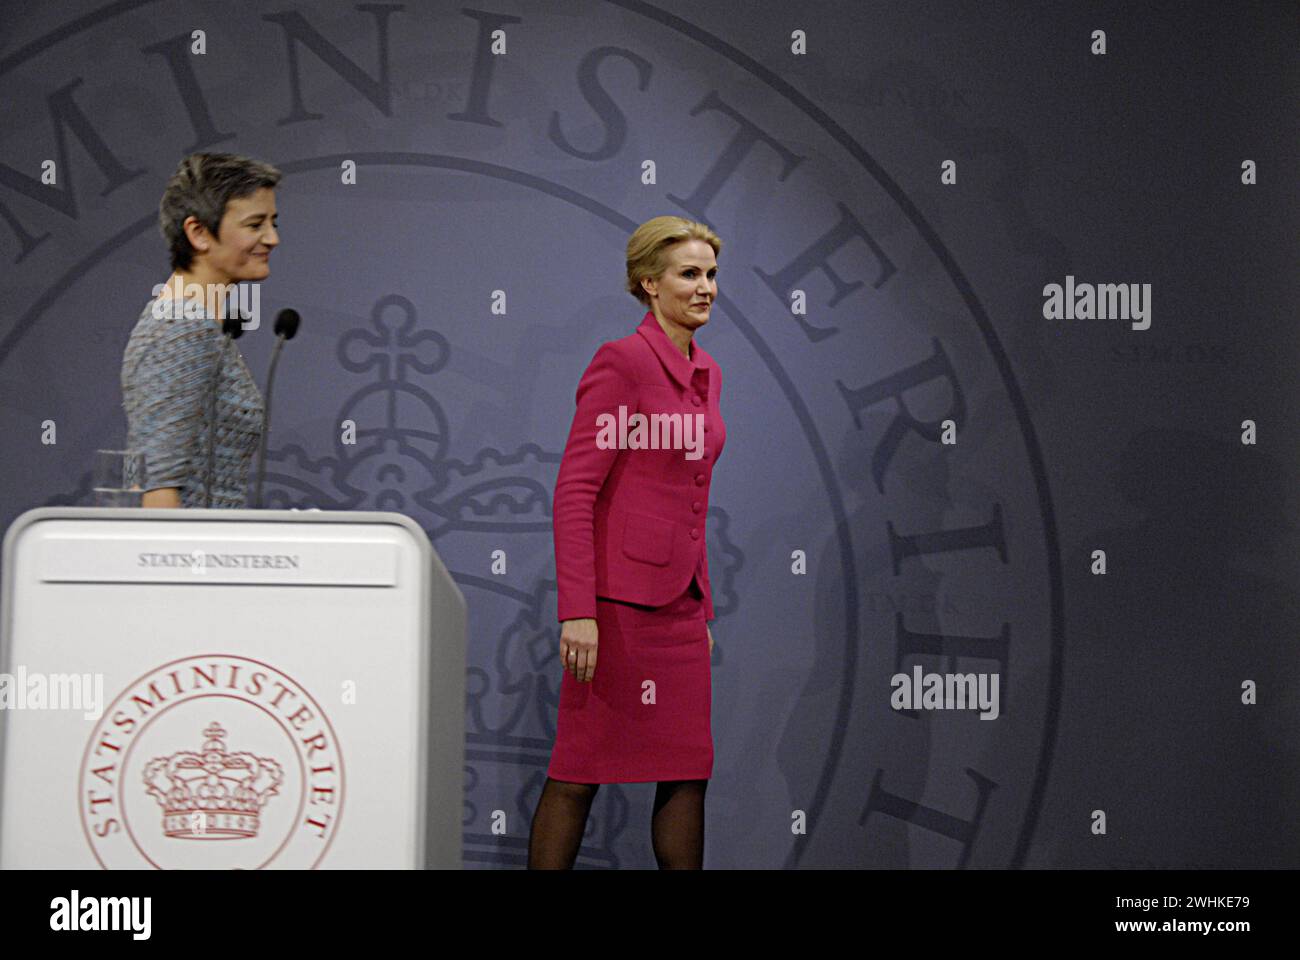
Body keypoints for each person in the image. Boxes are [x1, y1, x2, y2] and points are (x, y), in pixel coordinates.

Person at [529, 216, 727, 869]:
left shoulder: (709, 373)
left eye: (711, 275)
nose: (705, 288)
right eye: (689, 274)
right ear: (649, 283)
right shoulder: (623, 362)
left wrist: (700, 607)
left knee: (686, 771)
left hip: (678, 610)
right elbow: (575, 492)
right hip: (614, 610)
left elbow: (689, 499)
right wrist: (578, 611)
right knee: (581, 771)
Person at [120, 153, 280, 508]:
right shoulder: (183, 328)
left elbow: (140, 465)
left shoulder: (191, 322)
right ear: (198, 233)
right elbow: (153, 486)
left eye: (273, 222)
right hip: (193, 558)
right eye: (255, 225)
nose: (272, 239)